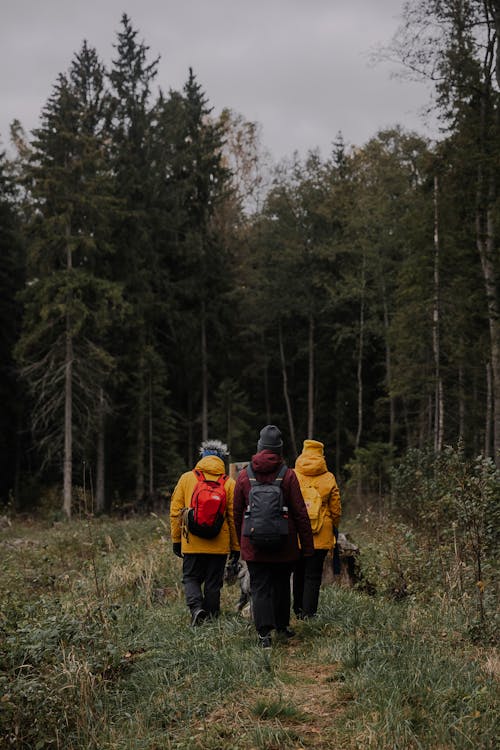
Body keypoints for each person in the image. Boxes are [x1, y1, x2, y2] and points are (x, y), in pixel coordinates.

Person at [233, 425, 314, 648]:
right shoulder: (288, 475)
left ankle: (263, 635)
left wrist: (242, 541)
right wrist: (307, 547)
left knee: (260, 587)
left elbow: (237, 513)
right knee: (280, 585)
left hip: (254, 544)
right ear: (278, 450)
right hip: (284, 544)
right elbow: (300, 513)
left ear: (259, 448)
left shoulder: (243, 476)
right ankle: (281, 626)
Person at [170, 439, 239, 626]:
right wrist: (235, 547)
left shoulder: (187, 478)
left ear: (201, 457)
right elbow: (233, 517)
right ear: (222, 460)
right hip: (218, 544)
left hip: (192, 543)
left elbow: (176, 511)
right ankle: (211, 618)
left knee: (191, 577)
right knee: (213, 582)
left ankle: (196, 609)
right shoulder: (229, 483)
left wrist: (176, 540)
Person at [292, 439, 341, 619]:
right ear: (321, 455)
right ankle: (309, 614)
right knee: (312, 576)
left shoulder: (293, 475)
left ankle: (297, 610)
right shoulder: (328, 478)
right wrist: (333, 526)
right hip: (320, 536)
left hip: (297, 535)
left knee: (298, 573)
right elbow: (336, 510)